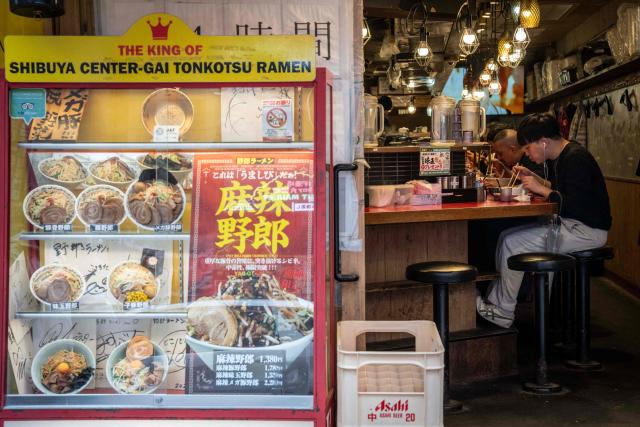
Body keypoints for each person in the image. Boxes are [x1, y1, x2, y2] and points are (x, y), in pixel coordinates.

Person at [477, 113, 612, 328]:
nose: (528, 154)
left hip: (587, 230)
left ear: (543, 142)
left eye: (529, 148)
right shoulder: (564, 155)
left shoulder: (576, 158)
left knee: (512, 243)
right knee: (505, 236)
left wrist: (541, 189)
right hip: (571, 225)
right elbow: (558, 188)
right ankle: (496, 303)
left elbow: (578, 206)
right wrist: (536, 178)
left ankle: (503, 311)